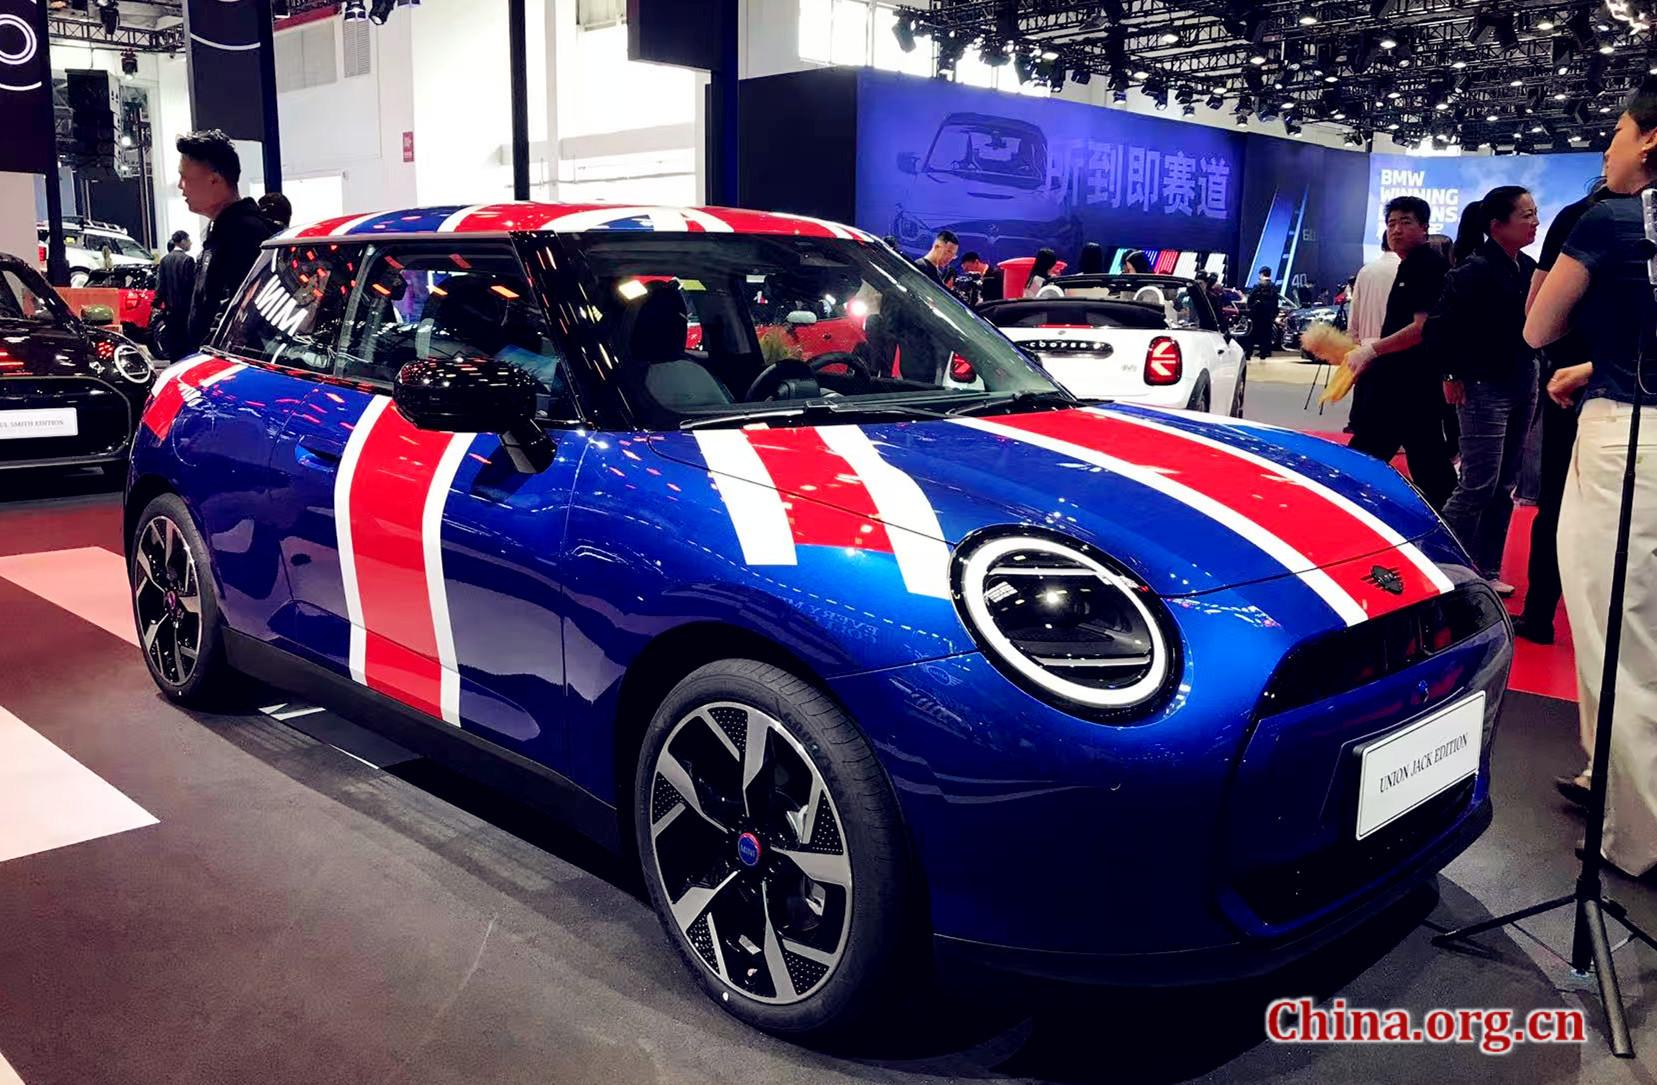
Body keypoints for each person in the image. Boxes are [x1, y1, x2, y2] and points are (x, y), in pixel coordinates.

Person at [1523, 76, 1657, 877]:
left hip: (1627, 444)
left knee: (1619, 637)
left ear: (1649, 138)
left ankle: (1635, 837)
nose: (1606, 149)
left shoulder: (1608, 220)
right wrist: (1598, 361)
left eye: (1614, 132)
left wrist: (1584, 353)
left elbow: (1536, 325)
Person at [1516, 181, 1620, 647]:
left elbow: (1536, 316)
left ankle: (1541, 612)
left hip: (1574, 381)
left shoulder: (1584, 217)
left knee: (1559, 499)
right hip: (1626, 384)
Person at [1425, 187, 1540, 595]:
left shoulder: (1528, 267)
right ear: (1497, 225)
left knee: (1505, 483)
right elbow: (1440, 329)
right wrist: (1450, 374)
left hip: (1523, 379)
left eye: (1535, 213)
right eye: (1526, 215)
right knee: (1477, 483)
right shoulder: (1472, 271)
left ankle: (1487, 568)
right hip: (1482, 385)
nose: (1535, 222)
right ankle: (1439, 564)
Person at [1341, 196, 1457, 510]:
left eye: (1406, 222)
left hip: (1408, 381)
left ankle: (1345, 508)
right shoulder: (1411, 264)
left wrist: (1372, 350)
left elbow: (1421, 328)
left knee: (1369, 455)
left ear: (1424, 227)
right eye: (1391, 223)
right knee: (1424, 457)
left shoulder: (1424, 265)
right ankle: (1454, 518)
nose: (1396, 230)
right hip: (1405, 379)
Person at [175, 130, 278, 357]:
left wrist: (209, 357)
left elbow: (243, 317)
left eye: (185, 177)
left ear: (214, 179)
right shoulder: (222, 229)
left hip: (227, 365)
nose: (180, 186)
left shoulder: (246, 234)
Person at [1348, 233, 1399, 344]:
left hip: (1367, 344)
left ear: (1382, 245)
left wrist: (1354, 340)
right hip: (1400, 343)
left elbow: (1354, 311)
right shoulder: (1407, 269)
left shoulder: (1365, 271)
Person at [154, 229, 196, 360]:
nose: (190, 243)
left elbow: (160, 285)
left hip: (170, 310)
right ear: (182, 241)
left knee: (173, 345)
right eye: (189, 240)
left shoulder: (164, 260)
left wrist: (156, 303)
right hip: (185, 310)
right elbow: (191, 285)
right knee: (186, 345)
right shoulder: (188, 260)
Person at [1245, 267, 1280, 359]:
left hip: (1257, 314)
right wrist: (1274, 314)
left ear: (1261, 274)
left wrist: (1250, 308)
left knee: (1252, 333)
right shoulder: (1273, 287)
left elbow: (1250, 298)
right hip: (1268, 315)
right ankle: (1263, 353)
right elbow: (1276, 302)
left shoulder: (1258, 285)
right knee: (1266, 334)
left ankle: (1248, 353)